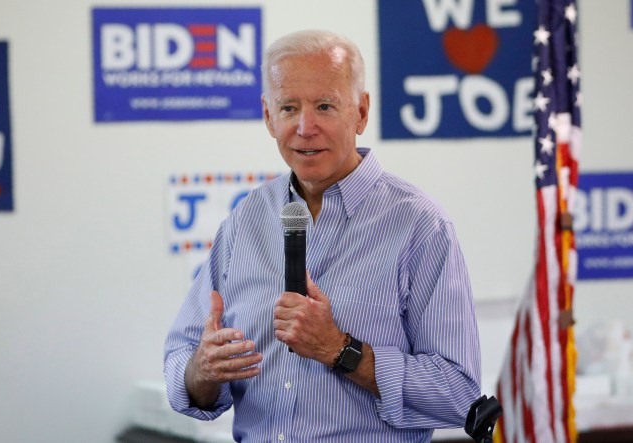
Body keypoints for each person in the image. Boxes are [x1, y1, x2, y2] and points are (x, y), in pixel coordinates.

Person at [164, 29, 481, 442]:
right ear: (267, 116)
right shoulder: (245, 221)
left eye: (325, 106)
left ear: (361, 113)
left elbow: (459, 394)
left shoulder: (420, 227)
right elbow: (180, 365)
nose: (305, 127)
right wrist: (202, 371)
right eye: (289, 107)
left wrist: (340, 350)